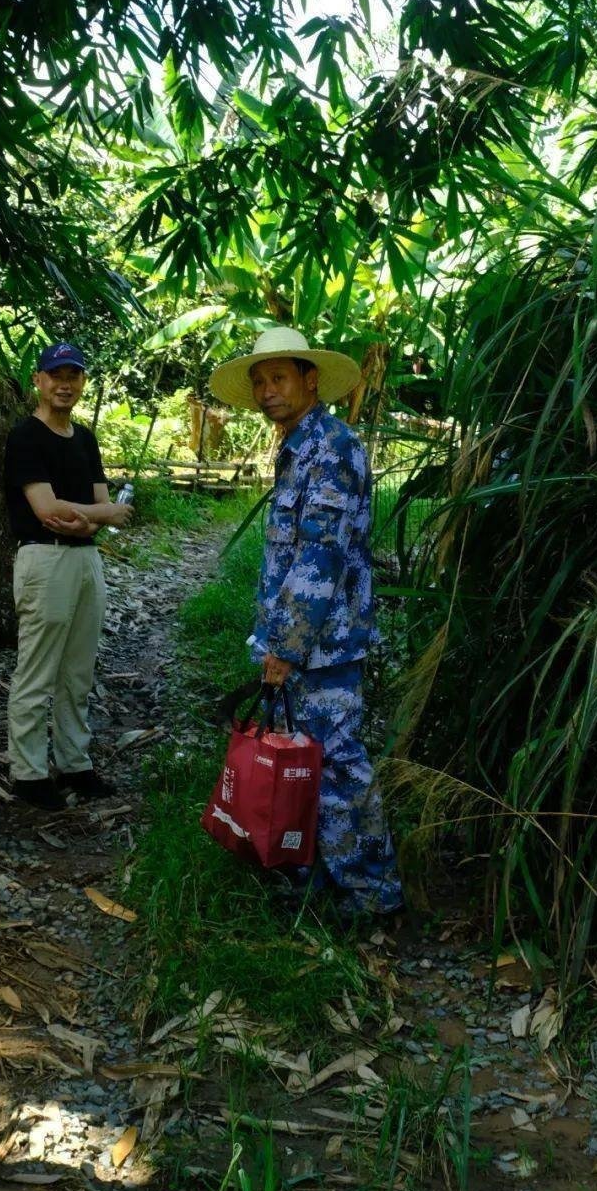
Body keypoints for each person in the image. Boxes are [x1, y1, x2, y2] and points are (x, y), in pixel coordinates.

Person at [209, 326, 404, 917]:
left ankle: (373, 892)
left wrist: (286, 647)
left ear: (310, 380)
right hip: (299, 644)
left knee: (339, 765)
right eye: (261, 381)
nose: (269, 390)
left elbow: (320, 558)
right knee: (307, 763)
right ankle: (320, 872)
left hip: (324, 647)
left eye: (280, 378)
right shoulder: (297, 446)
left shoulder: (333, 448)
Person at [3, 341, 133, 811]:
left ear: (82, 382)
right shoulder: (25, 437)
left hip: (85, 559)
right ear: (37, 380)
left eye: (73, 375)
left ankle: (75, 763)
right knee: (37, 669)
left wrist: (92, 518)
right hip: (44, 558)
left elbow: (87, 508)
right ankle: (29, 772)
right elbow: (45, 508)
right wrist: (105, 513)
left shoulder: (84, 438)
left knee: (78, 670)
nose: (65, 383)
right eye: (55, 374)